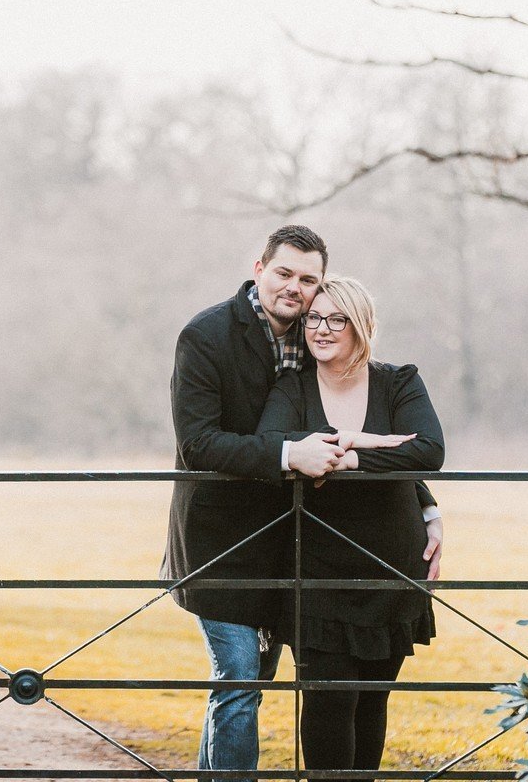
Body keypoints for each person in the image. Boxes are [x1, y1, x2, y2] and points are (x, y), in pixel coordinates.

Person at [161, 226, 443, 782]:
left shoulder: (316, 343)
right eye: (284, 273)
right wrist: (293, 451)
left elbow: (407, 442)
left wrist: (424, 501)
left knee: (249, 686)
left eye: (308, 281)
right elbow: (199, 443)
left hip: (289, 537)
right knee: (240, 683)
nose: (296, 290)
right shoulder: (207, 336)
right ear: (259, 267)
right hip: (225, 538)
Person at [256, 276, 444, 779]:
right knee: (327, 702)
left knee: (371, 701)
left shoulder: (399, 380)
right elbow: (272, 440)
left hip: (391, 562)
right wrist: (378, 445)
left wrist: (351, 454)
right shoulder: (292, 386)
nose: (321, 328)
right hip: (318, 566)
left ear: (360, 325)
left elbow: (428, 451)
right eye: (314, 318)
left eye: (336, 319)